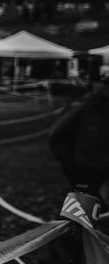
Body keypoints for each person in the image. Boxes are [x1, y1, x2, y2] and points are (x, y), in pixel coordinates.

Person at [49, 65, 109, 209]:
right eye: (105, 85)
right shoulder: (82, 107)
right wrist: (72, 168)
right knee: (79, 220)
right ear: (96, 84)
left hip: (104, 172)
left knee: (100, 218)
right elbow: (55, 137)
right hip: (85, 171)